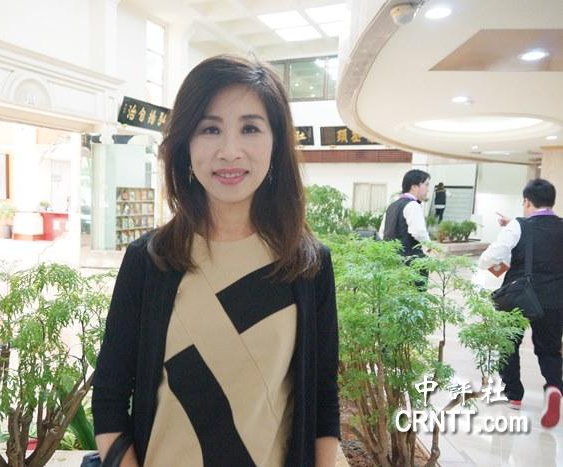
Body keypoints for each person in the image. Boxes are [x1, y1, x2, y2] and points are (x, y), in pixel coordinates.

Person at [91, 55, 340, 467]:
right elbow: (110, 396)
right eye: (210, 129)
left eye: (250, 128)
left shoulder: (307, 265)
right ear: (186, 144)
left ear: (276, 143)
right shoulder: (149, 261)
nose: (229, 151)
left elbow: (322, 399)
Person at [478, 178, 563, 428]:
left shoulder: (518, 226)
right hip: (555, 299)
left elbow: (488, 259)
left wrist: (506, 257)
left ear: (526, 202)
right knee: (550, 349)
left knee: (508, 344)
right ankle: (554, 387)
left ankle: (513, 393)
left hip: (519, 297)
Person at [378, 169, 431, 260]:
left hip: (390, 259)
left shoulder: (392, 206)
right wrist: (430, 245)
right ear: (414, 187)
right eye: (426, 185)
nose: (428, 189)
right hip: (410, 259)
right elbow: (418, 232)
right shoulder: (413, 205)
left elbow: (382, 232)